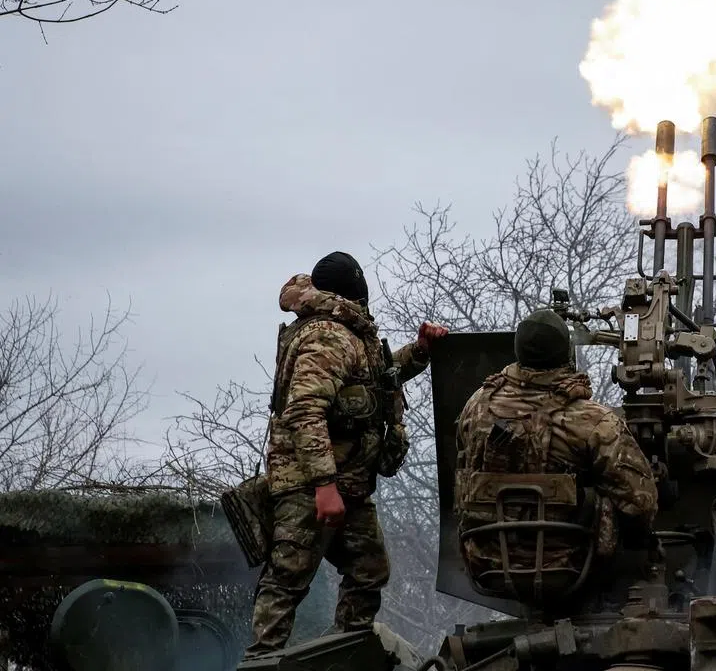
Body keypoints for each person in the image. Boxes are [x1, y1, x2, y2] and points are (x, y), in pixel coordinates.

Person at [245, 251, 448, 658]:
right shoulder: (328, 334)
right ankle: (260, 663)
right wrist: (324, 486)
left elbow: (374, 379)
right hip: (313, 485)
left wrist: (421, 350)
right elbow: (305, 408)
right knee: (287, 580)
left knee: (369, 570)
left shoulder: (346, 333)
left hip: (346, 484)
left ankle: (343, 658)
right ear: (355, 291)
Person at [453, 308, 658, 609]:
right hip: (568, 568)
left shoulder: (476, 405)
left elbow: (463, 460)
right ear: (566, 353)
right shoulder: (594, 421)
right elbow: (641, 505)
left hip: (486, 565)